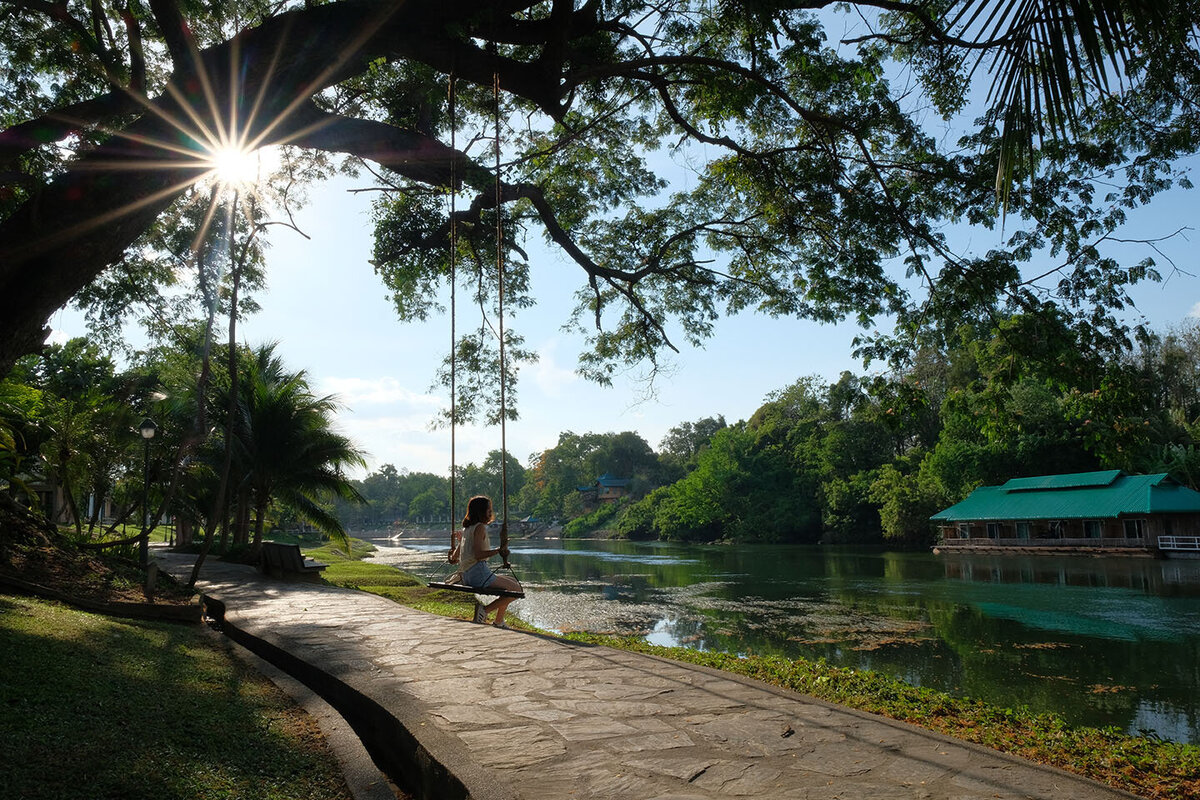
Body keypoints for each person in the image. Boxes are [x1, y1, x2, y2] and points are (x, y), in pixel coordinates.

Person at [457, 494, 521, 628]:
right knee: (517, 590)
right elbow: (479, 555)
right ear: (481, 512)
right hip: (477, 573)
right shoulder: (479, 527)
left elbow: (461, 556)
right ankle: (484, 611)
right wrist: (499, 550)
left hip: (468, 574)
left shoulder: (467, 528)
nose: (491, 513)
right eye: (489, 510)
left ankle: (499, 621)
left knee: (513, 582)